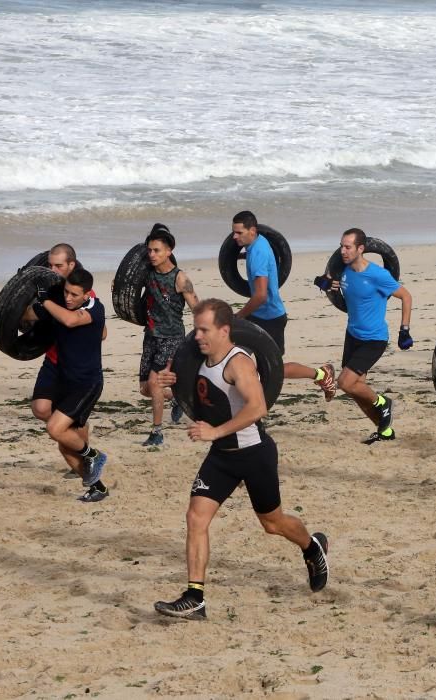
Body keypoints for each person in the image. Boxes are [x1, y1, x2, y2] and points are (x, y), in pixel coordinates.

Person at [153, 299, 329, 620]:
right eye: (195, 329)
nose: (197, 336)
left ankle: (311, 546)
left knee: (272, 524)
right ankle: (195, 597)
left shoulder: (239, 363)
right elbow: (178, 394)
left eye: (204, 330)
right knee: (196, 517)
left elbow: (257, 407)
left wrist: (215, 432)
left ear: (224, 330)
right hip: (221, 457)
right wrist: (163, 386)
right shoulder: (196, 361)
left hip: (253, 454)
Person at [231, 211, 337, 401]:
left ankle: (321, 374)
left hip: (270, 318)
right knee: (235, 359)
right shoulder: (259, 242)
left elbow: (261, 296)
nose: (234, 237)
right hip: (259, 315)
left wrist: (240, 315)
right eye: (234, 232)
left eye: (239, 233)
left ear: (252, 231)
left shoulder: (257, 254)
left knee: (273, 371)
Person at [27, 268, 109, 502]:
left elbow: (70, 320)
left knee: (54, 429)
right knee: (65, 445)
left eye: (74, 294)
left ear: (86, 295)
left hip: (87, 384)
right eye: (66, 292)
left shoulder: (94, 308)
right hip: (63, 378)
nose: (69, 298)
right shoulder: (59, 305)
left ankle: (93, 453)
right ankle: (98, 488)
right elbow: (28, 314)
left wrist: (45, 299)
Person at [325, 228, 413, 444]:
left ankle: (384, 402)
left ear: (360, 249)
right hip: (352, 335)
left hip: (374, 339)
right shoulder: (342, 271)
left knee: (345, 382)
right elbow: (323, 282)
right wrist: (325, 283)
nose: (343, 251)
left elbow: (406, 296)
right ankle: (384, 432)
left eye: (348, 247)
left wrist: (404, 330)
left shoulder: (378, 275)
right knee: (357, 391)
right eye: (341, 246)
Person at [139, 224, 199, 447]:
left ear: (169, 251)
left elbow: (197, 307)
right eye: (150, 250)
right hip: (151, 336)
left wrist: (202, 335)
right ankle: (178, 398)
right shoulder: (147, 274)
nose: (152, 255)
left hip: (172, 337)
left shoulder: (180, 278)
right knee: (146, 388)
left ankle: (157, 433)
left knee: (155, 383)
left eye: (157, 250)